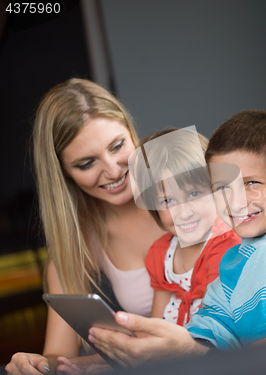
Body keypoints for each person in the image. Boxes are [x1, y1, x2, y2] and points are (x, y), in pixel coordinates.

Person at [88, 110, 266, 363]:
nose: (235, 201)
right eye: (224, 187)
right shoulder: (254, 250)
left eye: (251, 183)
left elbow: (265, 362)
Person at [6, 78, 164, 375]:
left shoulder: (189, 191)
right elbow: (58, 356)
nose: (113, 171)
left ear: (132, 133)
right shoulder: (75, 251)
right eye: (86, 163)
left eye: (117, 146)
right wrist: (34, 364)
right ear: (63, 173)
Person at [131, 127, 240, 325]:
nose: (184, 213)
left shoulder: (224, 247)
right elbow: (156, 323)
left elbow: (212, 324)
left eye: (194, 194)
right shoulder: (161, 252)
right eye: (168, 201)